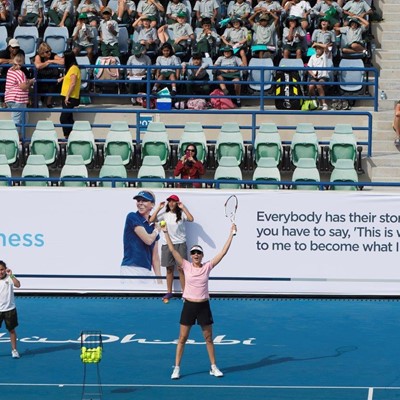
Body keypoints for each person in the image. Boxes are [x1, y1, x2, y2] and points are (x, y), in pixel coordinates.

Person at [161, 222, 236, 380]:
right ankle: (177, 368)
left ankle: (213, 367)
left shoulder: (207, 266)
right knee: (182, 338)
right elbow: (173, 250)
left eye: (198, 253)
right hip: (189, 306)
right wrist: (166, 232)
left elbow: (223, 252)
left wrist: (231, 234)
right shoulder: (186, 265)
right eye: (193, 253)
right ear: (191, 255)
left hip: (203, 307)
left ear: (202, 255)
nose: (196, 255)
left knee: (208, 338)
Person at [150, 194, 193, 301]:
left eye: (173, 201)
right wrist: (159, 208)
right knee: (169, 269)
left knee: (181, 269)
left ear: (177, 203)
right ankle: (169, 292)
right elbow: (151, 220)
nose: (171, 203)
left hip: (180, 244)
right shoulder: (165, 215)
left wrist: (183, 208)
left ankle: (185, 293)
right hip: (167, 245)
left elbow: (191, 219)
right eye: (169, 201)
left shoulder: (182, 214)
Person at [120, 190, 162, 285]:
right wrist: (156, 230)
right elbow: (148, 240)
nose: (140, 203)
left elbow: (155, 257)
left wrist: (159, 280)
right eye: (138, 200)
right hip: (131, 268)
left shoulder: (153, 225)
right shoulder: (132, 216)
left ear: (152, 204)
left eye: (144, 200)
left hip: (147, 271)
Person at [5, 53, 35, 134]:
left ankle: (19, 137)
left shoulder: (10, 70)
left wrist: (26, 81)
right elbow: (23, 87)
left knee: (23, 119)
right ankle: (15, 138)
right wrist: (30, 82)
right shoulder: (20, 73)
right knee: (17, 121)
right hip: (18, 99)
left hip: (10, 98)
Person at [0, 260, 21, 359]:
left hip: (10, 310)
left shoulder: (9, 278)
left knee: (12, 330)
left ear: (5, 269)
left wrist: (11, 275)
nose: (0, 272)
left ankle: (14, 350)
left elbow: (18, 285)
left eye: (2, 269)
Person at [58, 51, 81, 138]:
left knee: (63, 118)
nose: (63, 59)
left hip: (70, 97)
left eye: (64, 58)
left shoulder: (74, 68)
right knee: (69, 118)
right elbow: (69, 77)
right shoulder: (71, 68)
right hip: (66, 96)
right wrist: (62, 78)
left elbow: (73, 83)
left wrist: (67, 96)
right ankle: (72, 136)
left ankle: (68, 136)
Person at [34, 42, 65, 108]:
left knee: (53, 81)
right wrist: (47, 63)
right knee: (38, 82)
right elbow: (38, 65)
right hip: (42, 74)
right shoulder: (38, 56)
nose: (49, 53)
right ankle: (39, 100)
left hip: (51, 74)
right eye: (47, 52)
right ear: (42, 52)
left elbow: (63, 61)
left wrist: (51, 61)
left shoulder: (53, 55)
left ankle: (49, 102)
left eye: (50, 51)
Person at [0, 39, 26, 107]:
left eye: (17, 47)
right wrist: (11, 60)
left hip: (20, 71)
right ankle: (3, 101)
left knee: (26, 81)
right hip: (7, 72)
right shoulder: (4, 52)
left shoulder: (21, 52)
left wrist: (9, 61)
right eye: (13, 47)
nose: (15, 49)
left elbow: (21, 61)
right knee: (3, 81)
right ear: (9, 47)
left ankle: (24, 100)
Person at [307, 43, 329, 111]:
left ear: (322, 49)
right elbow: (309, 68)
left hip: (323, 76)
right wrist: (313, 74)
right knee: (311, 86)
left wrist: (316, 43)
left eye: (319, 48)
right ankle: (317, 102)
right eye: (316, 49)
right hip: (314, 76)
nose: (317, 50)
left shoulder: (325, 55)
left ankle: (324, 104)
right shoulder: (312, 56)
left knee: (319, 85)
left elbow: (326, 46)